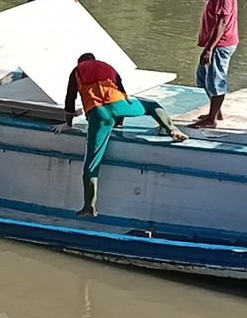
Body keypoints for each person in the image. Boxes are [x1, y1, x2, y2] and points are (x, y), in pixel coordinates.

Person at [54, 53, 187, 218]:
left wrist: (68, 123)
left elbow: (70, 99)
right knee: (152, 105)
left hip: (97, 113)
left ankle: (90, 206)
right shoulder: (108, 67)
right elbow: (122, 92)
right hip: (119, 105)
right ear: (95, 59)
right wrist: (119, 122)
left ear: (80, 63)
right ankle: (172, 129)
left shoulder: (77, 71)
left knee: (92, 163)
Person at [193, 0, 240, 129]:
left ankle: (212, 120)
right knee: (202, 77)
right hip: (213, 43)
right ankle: (216, 111)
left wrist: (210, 48)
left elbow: (222, 22)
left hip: (221, 44)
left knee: (216, 80)